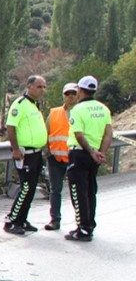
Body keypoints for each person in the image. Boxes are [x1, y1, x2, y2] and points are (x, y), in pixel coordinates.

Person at [64, 75, 112, 242]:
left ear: (80, 90)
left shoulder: (77, 110)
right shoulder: (103, 109)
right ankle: (89, 224)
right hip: (95, 156)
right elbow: (108, 135)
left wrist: (91, 152)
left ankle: (83, 228)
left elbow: (78, 134)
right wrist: (101, 153)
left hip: (80, 153)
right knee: (91, 190)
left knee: (78, 192)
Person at [3, 75, 49, 235]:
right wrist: (15, 149)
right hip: (25, 154)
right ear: (29, 86)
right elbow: (11, 127)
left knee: (31, 189)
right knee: (26, 187)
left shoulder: (35, 105)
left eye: (44, 87)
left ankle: (22, 219)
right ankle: (12, 220)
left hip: (36, 153)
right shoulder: (20, 104)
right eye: (39, 86)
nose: (42, 90)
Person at [43, 82, 79, 231]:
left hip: (75, 158)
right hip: (55, 159)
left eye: (73, 93)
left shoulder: (81, 112)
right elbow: (45, 132)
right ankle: (55, 220)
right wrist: (47, 149)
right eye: (67, 94)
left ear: (78, 95)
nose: (70, 97)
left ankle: (81, 222)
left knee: (77, 191)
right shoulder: (54, 113)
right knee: (55, 190)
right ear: (63, 95)